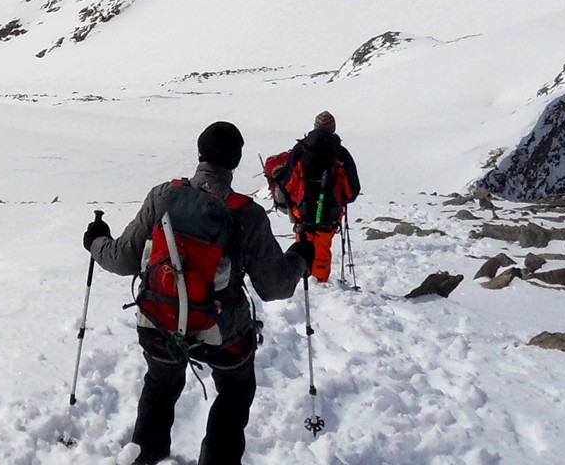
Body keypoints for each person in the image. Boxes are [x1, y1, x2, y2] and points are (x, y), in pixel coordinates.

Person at [82, 121, 318, 465]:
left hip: (159, 322)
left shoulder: (163, 196)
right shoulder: (246, 214)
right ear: (236, 162)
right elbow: (274, 287)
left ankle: (146, 457)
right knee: (235, 391)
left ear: (199, 153)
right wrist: (300, 259)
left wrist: (95, 241)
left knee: (160, 388)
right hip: (223, 333)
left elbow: (122, 259)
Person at [282, 111, 361, 283]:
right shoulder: (340, 153)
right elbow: (352, 190)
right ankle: (320, 284)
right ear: (333, 128)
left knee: (302, 248)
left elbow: (287, 182)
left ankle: (302, 281)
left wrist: (293, 203)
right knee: (322, 251)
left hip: (302, 211)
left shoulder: (301, 149)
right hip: (329, 212)